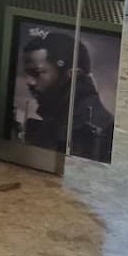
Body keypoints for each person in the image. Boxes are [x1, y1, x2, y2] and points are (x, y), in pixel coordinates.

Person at [18, 32, 115, 161]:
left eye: (36, 73)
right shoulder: (63, 116)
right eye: (27, 73)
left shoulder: (88, 127)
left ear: (73, 75)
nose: (28, 81)